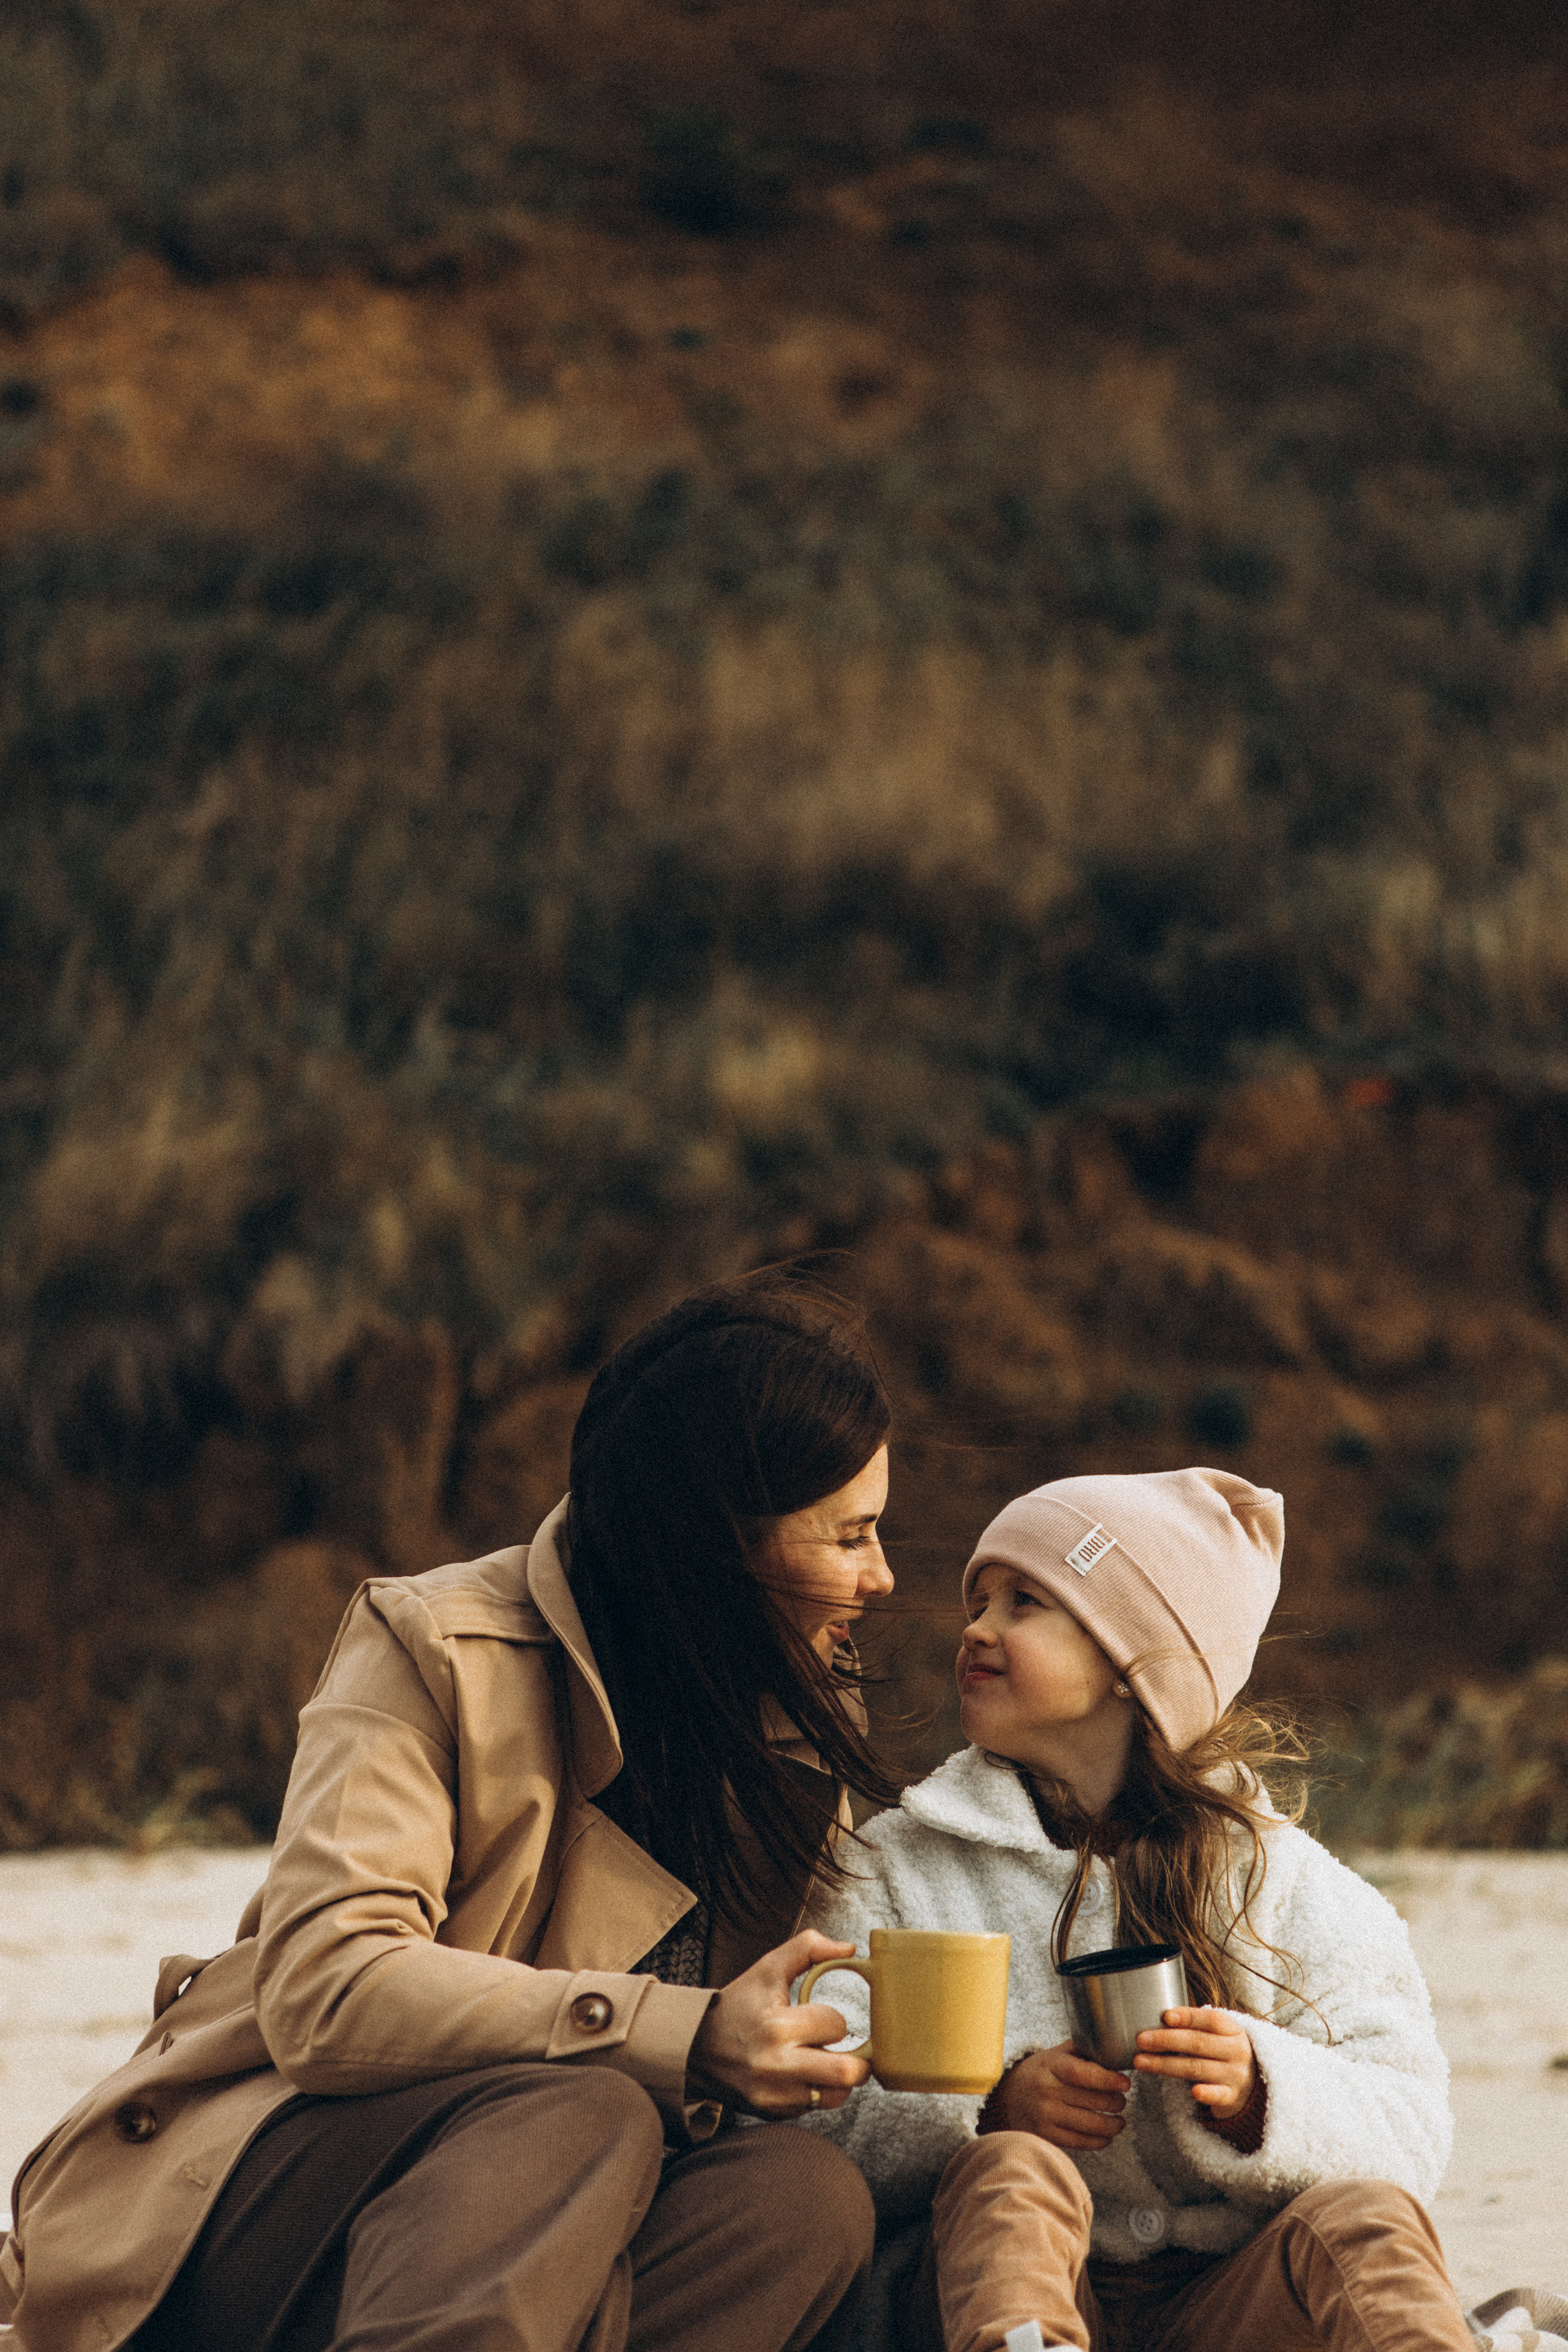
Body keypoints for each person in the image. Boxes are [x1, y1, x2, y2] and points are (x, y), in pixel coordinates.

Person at [2, 1276, 905, 2352]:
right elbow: (328, 1987)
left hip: (543, 2238)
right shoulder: (437, 1646)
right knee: (580, 2109)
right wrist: (681, 2033)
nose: (883, 1578)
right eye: (849, 1538)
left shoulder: (792, 1710)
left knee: (798, 2199)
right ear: (719, 1541)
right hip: (251, 2205)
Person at [796, 1466, 1535, 2352]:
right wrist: (990, 2108)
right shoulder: (899, 1865)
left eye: (1024, 1602)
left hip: (1226, 2305)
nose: (977, 1629)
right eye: (979, 1601)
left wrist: (1266, 2092)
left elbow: (1412, 2126)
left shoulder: (1283, 1881)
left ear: (1132, 1667)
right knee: (1013, 2172)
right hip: (984, 2296)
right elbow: (814, 2110)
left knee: (1365, 2219)